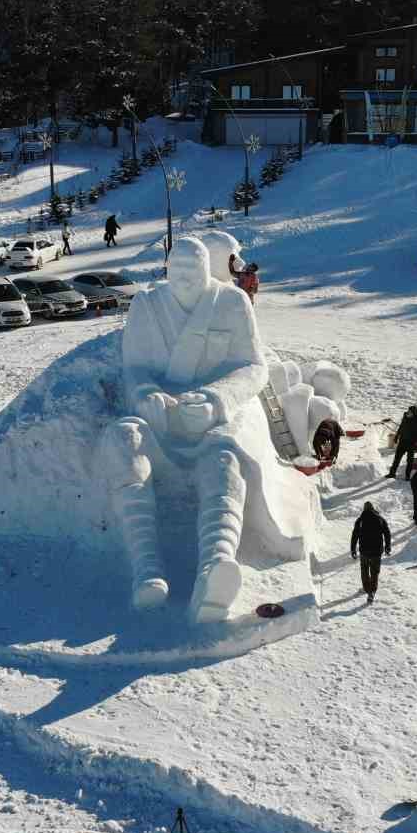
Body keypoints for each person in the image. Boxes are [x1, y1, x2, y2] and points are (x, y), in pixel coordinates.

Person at [98, 236, 311, 622]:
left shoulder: (231, 302)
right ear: (165, 270)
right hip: (160, 419)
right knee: (124, 439)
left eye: (191, 271)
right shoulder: (146, 306)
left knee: (225, 459)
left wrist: (217, 398)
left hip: (213, 417)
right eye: (175, 271)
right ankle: (146, 571)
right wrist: (146, 393)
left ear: (205, 269)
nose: (183, 279)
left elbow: (253, 367)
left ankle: (216, 568)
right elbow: (134, 367)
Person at [350, 501, 392, 604]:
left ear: (364, 509)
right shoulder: (380, 519)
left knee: (364, 570)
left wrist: (353, 549)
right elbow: (387, 533)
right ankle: (372, 591)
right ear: (373, 509)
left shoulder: (360, 520)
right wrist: (387, 547)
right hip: (376, 551)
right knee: (374, 572)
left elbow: (354, 535)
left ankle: (366, 588)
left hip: (364, 551)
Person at [386, 405, 417, 480]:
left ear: (414, 412)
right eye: (408, 411)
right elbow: (401, 427)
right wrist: (397, 436)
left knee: (409, 460)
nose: (408, 412)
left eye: (410, 412)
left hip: (412, 443)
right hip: (403, 441)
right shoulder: (405, 416)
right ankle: (392, 473)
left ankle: (407, 476)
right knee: (397, 458)